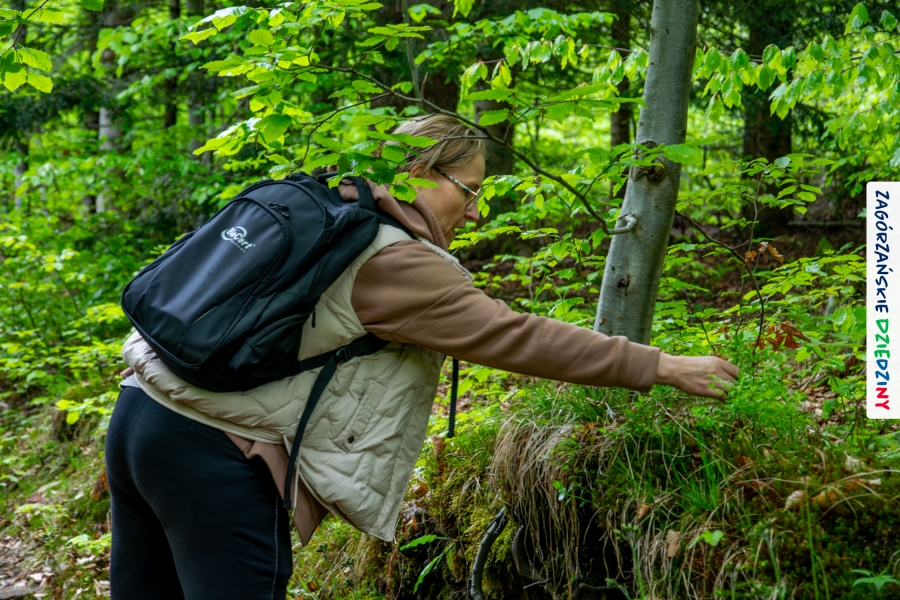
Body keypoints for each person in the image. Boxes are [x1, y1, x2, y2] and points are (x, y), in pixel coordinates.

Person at [107, 114, 739, 600]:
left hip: (140, 414)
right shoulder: (393, 258)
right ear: (421, 172)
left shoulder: (330, 208)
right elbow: (515, 335)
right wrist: (660, 366)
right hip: (215, 454)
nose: (475, 209)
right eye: (469, 189)